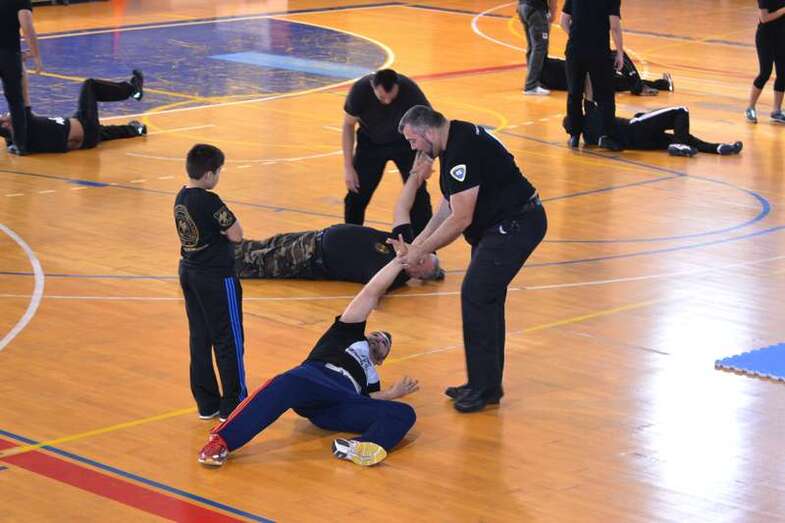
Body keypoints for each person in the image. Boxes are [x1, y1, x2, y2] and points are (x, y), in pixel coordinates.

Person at [395, 105, 547, 413]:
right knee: (485, 298)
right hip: (500, 227)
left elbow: (460, 218)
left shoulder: (462, 149)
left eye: (413, 141)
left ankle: (482, 388)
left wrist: (421, 253)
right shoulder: (454, 140)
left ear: (428, 132)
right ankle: (485, 385)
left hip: (516, 225)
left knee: (476, 294)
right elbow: (448, 205)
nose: (413, 148)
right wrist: (418, 243)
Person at [197, 257, 419, 468]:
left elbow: (367, 401)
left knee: (404, 413)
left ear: (381, 360)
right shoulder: (345, 334)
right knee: (283, 383)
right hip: (315, 378)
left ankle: (359, 447)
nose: (380, 339)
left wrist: (392, 394)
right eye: (376, 334)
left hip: (341, 403)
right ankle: (221, 442)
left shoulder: (372, 375)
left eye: (385, 343)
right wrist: (397, 262)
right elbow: (370, 293)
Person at [235, 164, 443, 287]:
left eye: (421, 260)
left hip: (311, 258)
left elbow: (375, 289)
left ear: (416, 273)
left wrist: (397, 262)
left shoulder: (393, 276)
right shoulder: (406, 241)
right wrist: (415, 176)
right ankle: (224, 246)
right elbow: (402, 208)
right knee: (264, 245)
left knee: (258, 263)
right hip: (315, 237)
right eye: (424, 254)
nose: (419, 253)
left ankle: (220, 266)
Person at [175, 144, 248, 422]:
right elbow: (236, 234)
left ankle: (206, 403)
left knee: (200, 337)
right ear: (208, 175)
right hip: (216, 276)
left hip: (189, 271)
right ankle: (234, 402)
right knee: (228, 338)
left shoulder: (181, 197)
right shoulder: (210, 200)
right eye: (218, 172)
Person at [342, 68, 433, 236]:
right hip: (370, 144)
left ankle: (424, 245)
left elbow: (430, 128)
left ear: (398, 85)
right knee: (357, 192)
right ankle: (350, 238)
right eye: (382, 98)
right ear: (373, 86)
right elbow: (348, 125)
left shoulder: (411, 91)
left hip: (406, 144)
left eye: (392, 97)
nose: (388, 101)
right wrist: (348, 167)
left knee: (418, 193)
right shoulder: (360, 91)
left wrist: (427, 160)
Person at [1, 69, 147, 154]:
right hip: (85, 126)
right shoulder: (25, 123)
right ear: (7, 124)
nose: (7, 113)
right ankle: (132, 90)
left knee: (101, 132)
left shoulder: (20, 142)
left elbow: (11, 142)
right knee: (90, 85)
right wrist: (18, 62)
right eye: (4, 117)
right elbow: (23, 89)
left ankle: (136, 130)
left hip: (86, 139)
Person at [560, 0, 624, 150]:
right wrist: (620, 52)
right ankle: (606, 136)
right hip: (598, 51)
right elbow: (614, 26)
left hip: (575, 50)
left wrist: (576, 35)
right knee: (605, 95)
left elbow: (563, 21)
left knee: (574, 93)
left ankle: (574, 135)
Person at [580, 100, 743, 157]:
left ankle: (717, 148)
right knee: (680, 111)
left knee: (683, 135)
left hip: (640, 144)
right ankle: (679, 145)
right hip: (636, 127)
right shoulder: (593, 117)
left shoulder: (590, 137)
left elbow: (615, 146)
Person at [0, 0, 41, 155]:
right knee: (16, 101)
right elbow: (27, 27)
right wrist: (36, 55)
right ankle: (20, 145)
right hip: (9, 55)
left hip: (9, 54)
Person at [540, 51, 673, 95]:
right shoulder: (545, 70)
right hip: (587, 75)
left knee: (620, 81)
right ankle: (656, 86)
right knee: (618, 59)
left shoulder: (544, 73)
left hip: (582, 75)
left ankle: (661, 85)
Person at [745, 1, 785, 124]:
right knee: (765, 72)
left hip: (782, 37)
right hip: (766, 38)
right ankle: (750, 107)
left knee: (783, 73)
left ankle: (776, 111)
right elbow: (764, 18)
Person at [518, 0, 557, 95]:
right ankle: (531, 85)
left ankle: (534, 80)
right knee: (539, 47)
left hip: (522, 6)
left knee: (532, 46)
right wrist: (552, 14)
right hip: (535, 8)